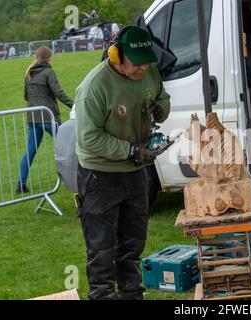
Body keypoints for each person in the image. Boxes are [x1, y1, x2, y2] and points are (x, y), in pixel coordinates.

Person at [74, 26, 170, 300]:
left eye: (146, 63)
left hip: (136, 172)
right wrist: (131, 151)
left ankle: (131, 295)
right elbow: (89, 139)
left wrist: (159, 108)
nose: (143, 69)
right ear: (116, 56)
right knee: (102, 248)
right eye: (136, 64)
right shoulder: (95, 86)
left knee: (132, 245)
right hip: (100, 175)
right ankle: (102, 295)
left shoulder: (148, 70)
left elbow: (161, 95)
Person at [17, 46, 74, 194]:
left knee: (30, 151)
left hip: (33, 117)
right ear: (49, 57)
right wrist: (74, 105)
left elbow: (26, 96)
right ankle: (72, 179)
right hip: (48, 117)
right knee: (66, 148)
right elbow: (59, 92)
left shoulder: (29, 72)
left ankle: (20, 183)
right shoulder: (49, 72)